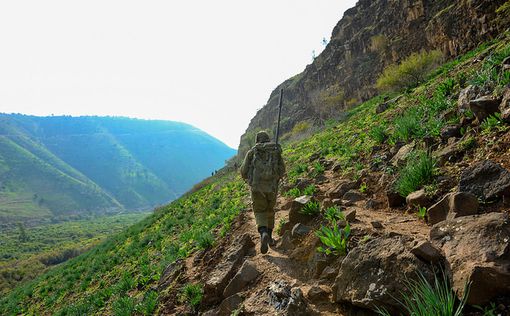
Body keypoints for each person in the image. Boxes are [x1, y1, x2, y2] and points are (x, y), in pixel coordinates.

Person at [240, 131, 285, 254]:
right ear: (267, 139)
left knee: (260, 211)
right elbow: (282, 170)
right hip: (272, 188)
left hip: (257, 188)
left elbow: (243, 171)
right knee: (270, 210)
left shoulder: (252, 152)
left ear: (257, 140)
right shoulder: (275, 150)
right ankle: (269, 237)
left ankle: (263, 232)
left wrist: (248, 178)